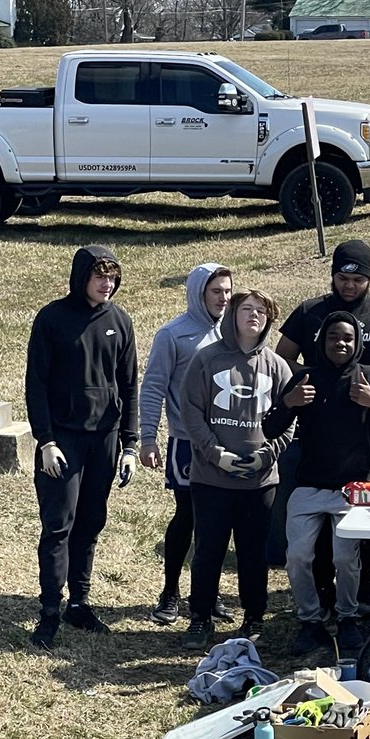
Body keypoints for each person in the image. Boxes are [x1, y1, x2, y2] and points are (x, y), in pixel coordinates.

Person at [272, 239, 370, 608]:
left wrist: (368, 378)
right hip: (319, 422)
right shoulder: (310, 311)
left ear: (369, 279)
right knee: (321, 520)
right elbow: (280, 361)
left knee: (364, 511)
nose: (350, 286)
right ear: (333, 276)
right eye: (343, 278)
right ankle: (323, 591)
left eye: (358, 280)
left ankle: (360, 589)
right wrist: (320, 376)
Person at [263, 311, 370, 656]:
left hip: (353, 490)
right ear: (321, 342)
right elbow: (268, 428)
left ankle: (347, 618)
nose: (340, 344)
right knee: (296, 556)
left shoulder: (368, 377)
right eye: (332, 338)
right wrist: (287, 403)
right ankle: (310, 621)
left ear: (357, 344)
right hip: (309, 486)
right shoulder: (305, 377)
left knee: (345, 559)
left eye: (347, 338)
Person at [25, 245, 139, 650]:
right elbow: (35, 385)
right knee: (59, 525)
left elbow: (129, 386)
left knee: (91, 521)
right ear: (81, 277)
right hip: (64, 439)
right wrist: (46, 440)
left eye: (112, 277)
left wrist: (129, 444)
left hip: (104, 439)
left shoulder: (120, 321)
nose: (107, 284)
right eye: (99, 276)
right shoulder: (52, 319)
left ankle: (80, 603)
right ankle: (50, 611)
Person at [179, 289, 293, 651]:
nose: (254, 316)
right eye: (247, 309)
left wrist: (267, 454)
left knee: (253, 553)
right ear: (233, 314)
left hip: (260, 481)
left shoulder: (277, 366)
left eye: (261, 310)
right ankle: (200, 617)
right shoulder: (206, 359)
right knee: (209, 549)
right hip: (211, 478)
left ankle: (254, 617)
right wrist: (216, 454)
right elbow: (191, 412)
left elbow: (290, 420)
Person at [138, 263, 234, 627]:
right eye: (216, 292)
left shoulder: (235, 331)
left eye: (227, 291)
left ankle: (207, 594)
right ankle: (170, 592)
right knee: (188, 516)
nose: (223, 299)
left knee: (220, 519)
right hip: (187, 444)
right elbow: (153, 387)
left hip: (228, 442)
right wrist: (148, 437)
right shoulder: (173, 335)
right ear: (198, 292)